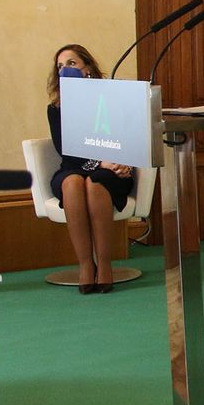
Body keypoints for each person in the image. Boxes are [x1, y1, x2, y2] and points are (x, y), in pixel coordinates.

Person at [46, 44, 136, 294]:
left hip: (111, 170)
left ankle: (105, 265)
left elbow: (127, 135)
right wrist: (97, 162)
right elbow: (65, 149)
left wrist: (123, 163)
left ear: (87, 68)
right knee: (73, 182)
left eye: (71, 63)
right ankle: (86, 265)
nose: (65, 69)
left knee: (95, 183)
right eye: (60, 66)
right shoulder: (56, 108)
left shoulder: (111, 98)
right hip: (73, 167)